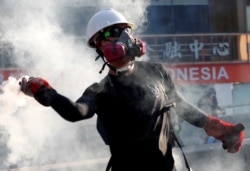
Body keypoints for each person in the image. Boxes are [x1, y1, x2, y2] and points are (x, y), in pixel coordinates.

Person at [19, 8, 245, 171]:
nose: (124, 37)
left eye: (124, 30)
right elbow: (75, 112)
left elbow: (182, 106)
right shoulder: (100, 90)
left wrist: (217, 126)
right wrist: (44, 91)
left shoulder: (156, 72)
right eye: (112, 33)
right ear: (99, 46)